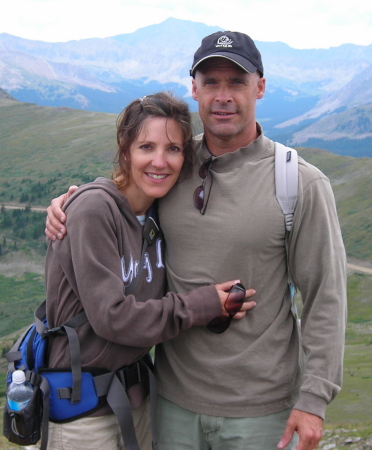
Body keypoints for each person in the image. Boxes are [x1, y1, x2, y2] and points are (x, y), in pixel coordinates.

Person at [45, 32, 347, 450]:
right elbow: (122, 198)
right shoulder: (175, 168)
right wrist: (70, 203)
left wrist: (314, 399)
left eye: (237, 82)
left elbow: (325, 297)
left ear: (260, 86)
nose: (223, 96)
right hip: (169, 405)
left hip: (261, 411)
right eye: (211, 82)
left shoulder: (300, 183)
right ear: (195, 89)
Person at [44, 91, 256, 450]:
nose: (160, 161)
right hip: (82, 413)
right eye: (146, 147)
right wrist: (203, 305)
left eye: (173, 149)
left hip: (136, 402)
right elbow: (112, 317)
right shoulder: (94, 209)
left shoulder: (160, 212)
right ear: (125, 149)